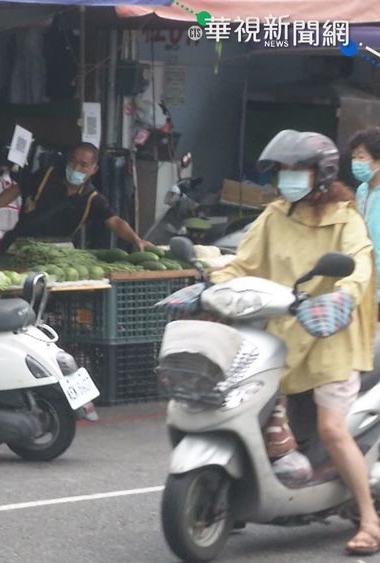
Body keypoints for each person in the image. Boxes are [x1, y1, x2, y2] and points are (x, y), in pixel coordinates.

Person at [169, 130, 378, 556]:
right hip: (279, 333)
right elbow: (244, 263)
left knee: (331, 429)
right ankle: (241, 491)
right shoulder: (274, 215)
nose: (287, 179)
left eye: (294, 170)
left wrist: (341, 297)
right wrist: (208, 285)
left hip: (329, 336)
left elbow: (358, 268)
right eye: (281, 170)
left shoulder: (345, 217)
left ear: (320, 174)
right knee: (242, 403)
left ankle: (369, 520)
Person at [0, 143, 148, 253]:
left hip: (58, 252)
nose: (76, 167)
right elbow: (17, 189)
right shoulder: (47, 175)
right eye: (73, 161)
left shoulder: (92, 198)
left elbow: (115, 222)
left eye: (83, 165)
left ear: (94, 170)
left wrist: (136, 239)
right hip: (21, 245)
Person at [350, 126, 380, 303]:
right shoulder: (362, 190)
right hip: (361, 278)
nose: (355, 163)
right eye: (353, 157)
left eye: (361, 157)